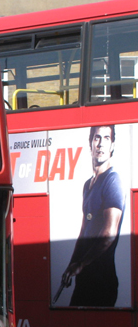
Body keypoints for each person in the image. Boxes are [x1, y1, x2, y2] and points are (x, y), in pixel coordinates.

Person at [60, 125, 126, 306]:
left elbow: (109, 234)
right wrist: (72, 265)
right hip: (84, 280)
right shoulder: (87, 185)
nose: (101, 144)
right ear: (90, 144)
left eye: (106, 138)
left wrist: (81, 264)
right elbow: (83, 232)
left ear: (112, 145)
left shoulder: (112, 180)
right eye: (97, 138)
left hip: (102, 281)